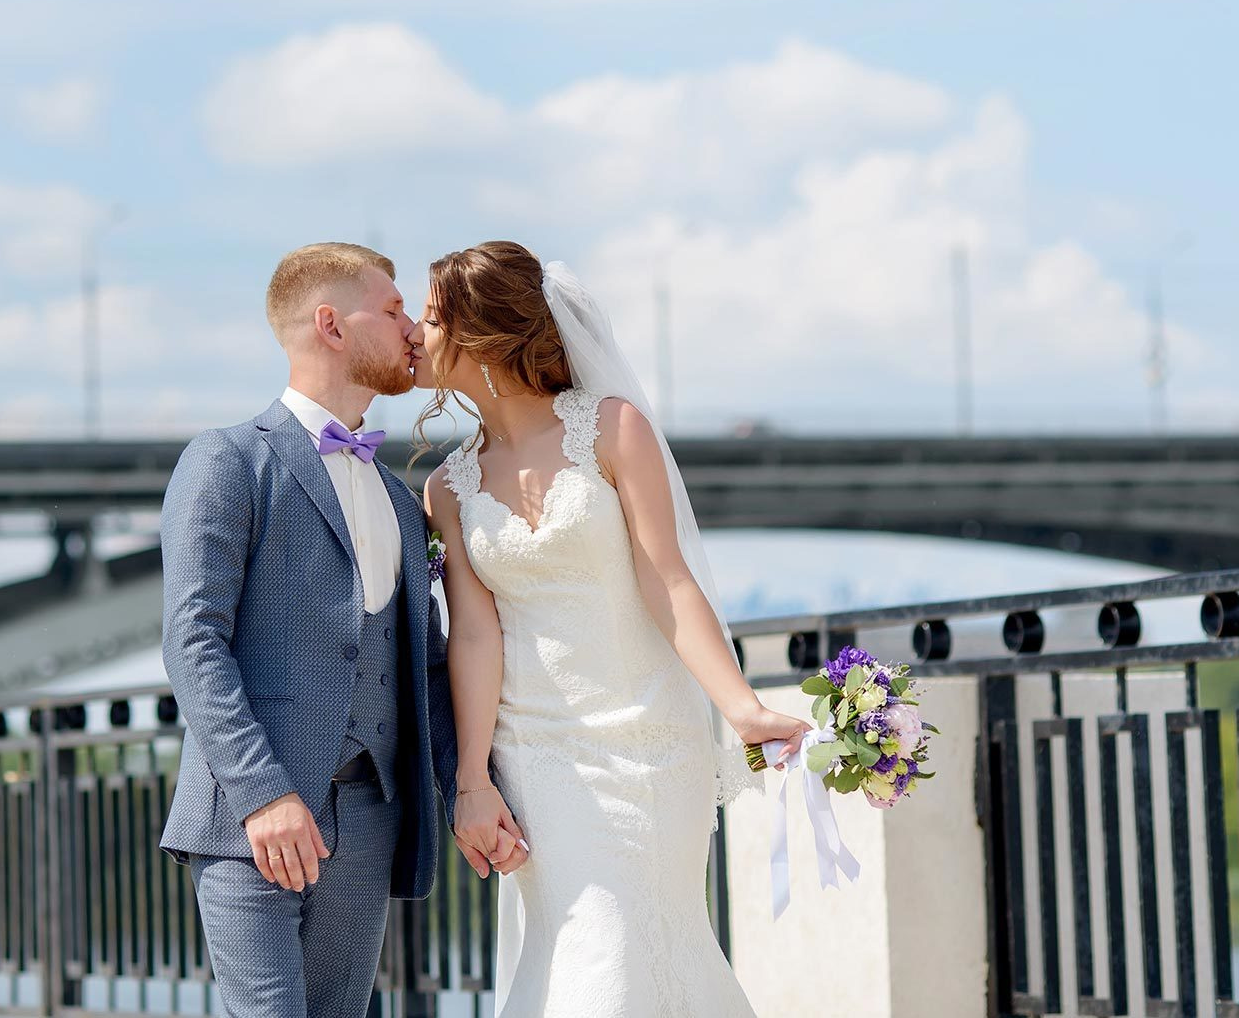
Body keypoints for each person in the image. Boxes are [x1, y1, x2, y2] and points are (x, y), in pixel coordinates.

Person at [411, 240, 810, 1018]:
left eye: (430, 319)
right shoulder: (448, 488)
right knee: (581, 951)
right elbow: (474, 638)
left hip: (649, 745)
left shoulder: (612, 430)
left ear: (481, 332)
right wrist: (472, 780)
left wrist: (741, 707)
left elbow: (669, 582)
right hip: (536, 757)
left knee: (645, 945)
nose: (415, 336)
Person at [158, 241, 525, 1018]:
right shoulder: (227, 461)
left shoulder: (401, 500)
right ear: (330, 324)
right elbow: (194, 641)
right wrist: (265, 795)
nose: (414, 330)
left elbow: (424, 667)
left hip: (368, 819)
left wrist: (469, 784)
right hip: (250, 821)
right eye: (393, 310)